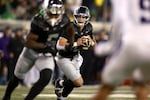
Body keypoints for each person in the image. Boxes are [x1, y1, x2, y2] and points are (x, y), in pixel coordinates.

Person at [2, 0, 70, 100]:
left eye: (57, 13)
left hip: (45, 54)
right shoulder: (38, 20)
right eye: (52, 13)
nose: (54, 16)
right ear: (46, 10)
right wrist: (45, 46)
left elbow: (70, 30)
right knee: (17, 78)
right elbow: (28, 42)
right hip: (31, 52)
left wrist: (70, 43)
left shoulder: (64, 20)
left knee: (46, 77)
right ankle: (6, 96)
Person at [93, 0, 150, 100]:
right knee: (140, 84)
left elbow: (119, 19)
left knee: (106, 87)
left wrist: (108, 47)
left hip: (133, 43)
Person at [54, 6, 95, 100]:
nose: (81, 19)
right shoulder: (69, 27)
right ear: (75, 17)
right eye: (79, 16)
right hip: (64, 58)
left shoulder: (88, 27)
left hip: (76, 57)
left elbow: (93, 43)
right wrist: (77, 43)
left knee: (73, 82)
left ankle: (62, 97)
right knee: (78, 82)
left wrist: (90, 42)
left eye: (84, 17)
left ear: (87, 17)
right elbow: (59, 46)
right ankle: (60, 83)